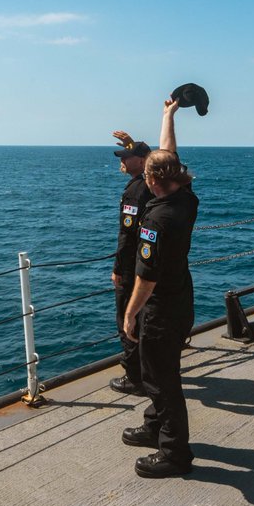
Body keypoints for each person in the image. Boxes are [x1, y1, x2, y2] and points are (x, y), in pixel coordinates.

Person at [121, 99, 197, 478]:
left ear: (151, 182)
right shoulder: (185, 198)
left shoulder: (158, 219)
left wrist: (131, 312)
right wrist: (168, 115)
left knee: (163, 380)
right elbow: (170, 157)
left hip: (161, 309)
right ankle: (155, 426)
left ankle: (174, 453)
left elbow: (146, 277)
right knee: (159, 373)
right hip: (182, 299)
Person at [107, 131, 154, 396]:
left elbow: (127, 236)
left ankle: (134, 377)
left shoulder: (136, 191)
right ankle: (148, 371)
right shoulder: (149, 183)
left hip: (132, 267)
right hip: (147, 264)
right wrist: (131, 142)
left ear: (140, 161)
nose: (121, 161)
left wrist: (117, 270)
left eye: (126, 156)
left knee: (127, 319)